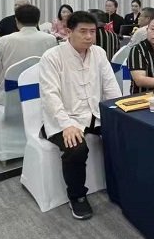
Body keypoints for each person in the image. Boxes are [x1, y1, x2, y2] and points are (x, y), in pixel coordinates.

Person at [39, 11, 121, 220]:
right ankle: (77, 196)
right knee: (76, 148)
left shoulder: (99, 53)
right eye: (83, 31)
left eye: (92, 31)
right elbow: (50, 96)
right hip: (63, 118)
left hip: (94, 114)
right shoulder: (52, 57)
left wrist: (118, 115)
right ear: (69, 32)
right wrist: (66, 124)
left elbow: (111, 87)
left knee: (124, 134)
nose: (89, 36)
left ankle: (121, 184)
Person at [0, 4, 57, 105]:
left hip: (9, 96)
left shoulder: (4, 41)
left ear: (16, 20)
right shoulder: (51, 39)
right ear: (38, 20)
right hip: (41, 94)